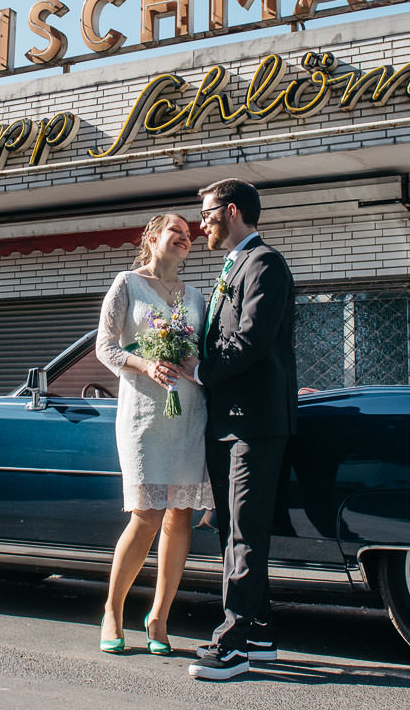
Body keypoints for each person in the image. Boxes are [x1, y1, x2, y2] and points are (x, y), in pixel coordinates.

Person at [187, 178, 296, 682]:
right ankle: (261, 634)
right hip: (226, 423)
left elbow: (251, 339)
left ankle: (231, 646)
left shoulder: (265, 264)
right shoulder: (232, 266)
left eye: (208, 214)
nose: (201, 223)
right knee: (234, 531)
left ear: (231, 212)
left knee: (245, 533)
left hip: (255, 423)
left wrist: (198, 369)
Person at [95, 212, 213, 655]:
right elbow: (103, 346)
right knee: (146, 514)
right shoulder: (127, 283)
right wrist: (145, 363)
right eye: (176, 231)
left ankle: (160, 617)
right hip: (144, 414)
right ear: (152, 237)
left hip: (189, 415)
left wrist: (195, 371)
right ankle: (112, 611)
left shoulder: (198, 296)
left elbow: (205, 353)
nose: (186, 237)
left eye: (189, 233)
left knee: (180, 513)